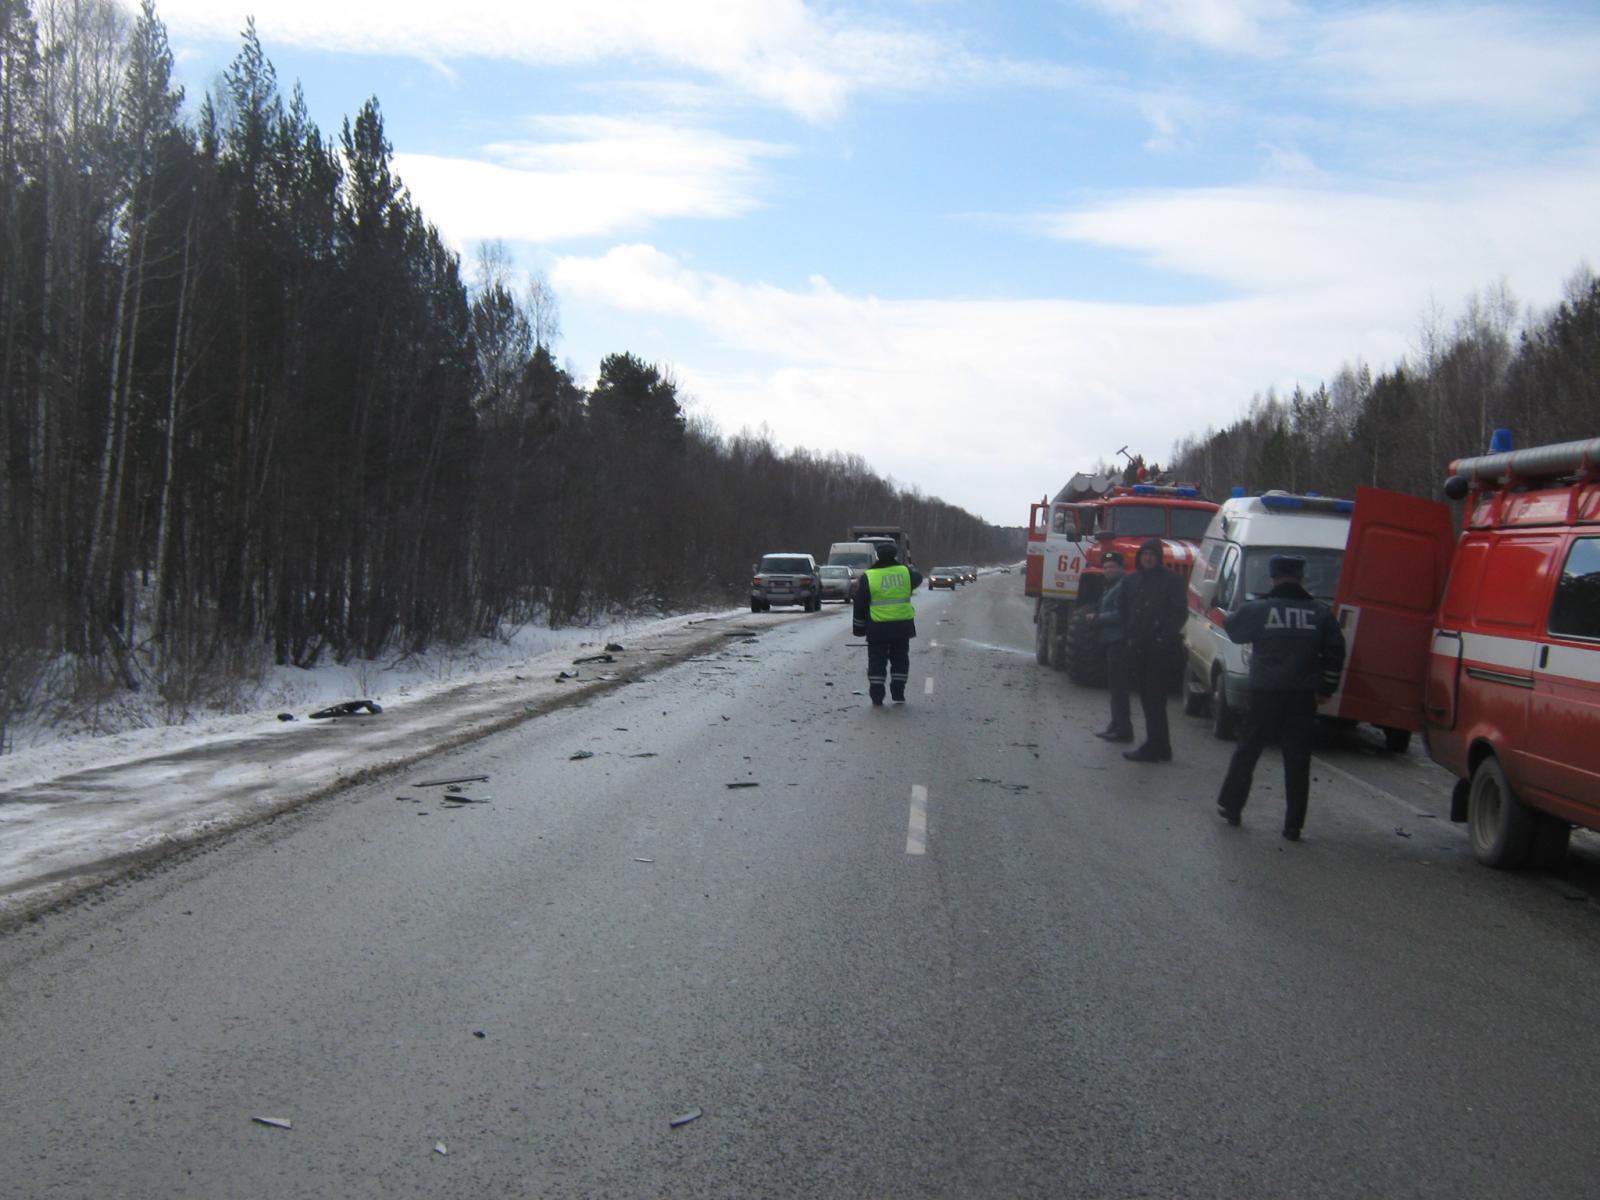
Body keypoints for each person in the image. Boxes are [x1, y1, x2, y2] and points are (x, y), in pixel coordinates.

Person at [1215, 554, 1347, 840]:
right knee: (1297, 760)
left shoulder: (1260, 609)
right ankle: (1293, 825)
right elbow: (1336, 653)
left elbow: (1234, 631)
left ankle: (1232, 807)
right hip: (1301, 696)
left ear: (1273, 578)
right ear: (1302, 578)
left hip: (1265, 693)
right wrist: (1325, 689)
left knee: (1248, 751)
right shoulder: (1320, 613)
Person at [1117, 537, 1186, 762]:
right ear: (1140, 556)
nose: (1148, 558)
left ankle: (1154, 746)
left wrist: (1163, 638)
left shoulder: (1172, 581)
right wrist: (1129, 637)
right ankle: (1161, 746)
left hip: (1161, 650)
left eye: (1152, 555)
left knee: (1155, 699)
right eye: (1145, 554)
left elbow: (1179, 613)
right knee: (1147, 698)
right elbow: (1124, 609)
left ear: (1159, 557)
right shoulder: (1132, 580)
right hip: (1137, 647)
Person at [852, 541, 923, 705]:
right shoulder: (905, 572)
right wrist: (912, 568)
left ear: (877, 556)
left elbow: (860, 603)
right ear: (895, 555)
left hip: (878, 628)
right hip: (902, 627)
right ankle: (898, 693)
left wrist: (859, 628)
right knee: (900, 660)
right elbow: (918, 578)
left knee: (877, 662)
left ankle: (877, 697)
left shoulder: (869, 576)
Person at [1088, 550, 1132, 742]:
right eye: (1105, 567)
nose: (1108, 570)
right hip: (1111, 640)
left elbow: (1121, 615)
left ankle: (1123, 729)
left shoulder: (1122, 586)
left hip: (1119, 641)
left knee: (1119, 688)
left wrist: (1097, 619)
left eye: (1112, 567)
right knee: (1114, 687)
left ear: (1120, 568)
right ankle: (1116, 724)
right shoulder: (1112, 585)